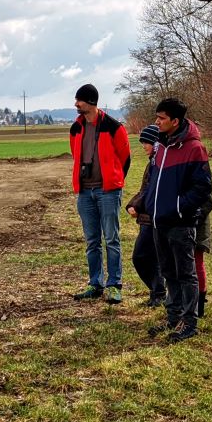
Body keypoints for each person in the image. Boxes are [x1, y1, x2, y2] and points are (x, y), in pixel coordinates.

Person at [144, 98, 212, 342]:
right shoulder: (160, 146)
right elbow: (153, 179)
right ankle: (173, 317)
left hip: (180, 224)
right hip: (158, 222)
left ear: (175, 121)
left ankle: (189, 321)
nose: (157, 122)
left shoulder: (195, 148)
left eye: (161, 118)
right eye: (157, 117)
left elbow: (202, 188)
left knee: (186, 274)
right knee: (168, 271)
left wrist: (177, 208)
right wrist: (149, 205)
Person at [69, 83, 132, 303]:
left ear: (91, 102)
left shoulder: (114, 126)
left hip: (108, 192)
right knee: (92, 240)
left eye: (79, 100)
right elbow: (75, 155)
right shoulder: (76, 128)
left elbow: (125, 157)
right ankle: (95, 284)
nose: (76, 104)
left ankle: (114, 285)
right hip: (85, 193)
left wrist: (114, 180)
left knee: (112, 239)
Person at [127, 124, 166, 309]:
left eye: (146, 143)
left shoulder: (158, 164)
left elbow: (150, 192)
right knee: (150, 257)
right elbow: (144, 190)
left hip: (152, 218)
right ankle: (157, 292)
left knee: (141, 256)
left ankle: (158, 292)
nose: (144, 147)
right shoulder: (152, 163)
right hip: (147, 217)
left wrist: (135, 204)